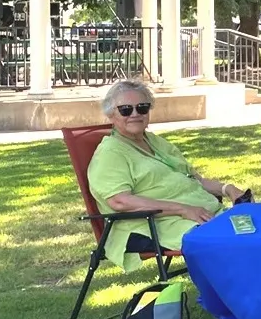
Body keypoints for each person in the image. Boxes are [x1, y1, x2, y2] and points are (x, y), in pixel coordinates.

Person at [86, 79, 246, 273]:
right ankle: (238, 296)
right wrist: (182, 209)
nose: (135, 114)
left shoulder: (154, 142)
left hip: (200, 213)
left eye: (142, 108)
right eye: (126, 110)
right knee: (232, 241)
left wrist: (227, 189)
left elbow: (195, 179)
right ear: (112, 114)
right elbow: (120, 202)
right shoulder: (110, 153)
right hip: (152, 224)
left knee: (255, 229)